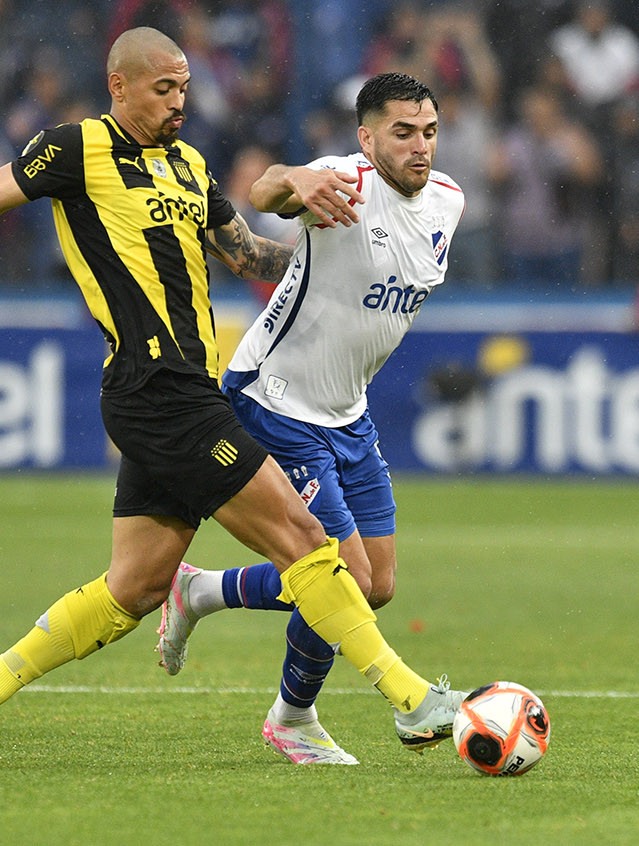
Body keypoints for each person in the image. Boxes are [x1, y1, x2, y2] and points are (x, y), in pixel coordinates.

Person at [0, 28, 464, 767]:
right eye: (164, 89)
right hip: (156, 386)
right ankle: (411, 698)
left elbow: (246, 252)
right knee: (306, 544)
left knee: (132, 588)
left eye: (185, 89)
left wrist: (349, 261)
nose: (179, 104)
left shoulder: (189, 165)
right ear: (120, 85)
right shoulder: (75, 149)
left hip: (183, 389)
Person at [154, 72, 465, 765]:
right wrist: (295, 179)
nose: (420, 147)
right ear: (366, 137)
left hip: (346, 414)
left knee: (377, 585)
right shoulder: (339, 181)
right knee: (341, 576)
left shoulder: (449, 201)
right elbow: (263, 191)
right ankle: (294, 718)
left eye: (430, 132)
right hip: (276, 401)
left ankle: (200, 589)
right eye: (402, 132)